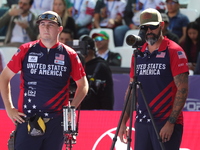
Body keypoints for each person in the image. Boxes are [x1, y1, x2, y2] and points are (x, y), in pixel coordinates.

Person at [0, 10, 88, 150]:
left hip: (56, 121)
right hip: (28, 118)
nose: (46, 28)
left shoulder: (69, 54)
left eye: (51, 25)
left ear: (60, 29)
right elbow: (4, 77)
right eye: (42, 24)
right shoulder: (25, 50)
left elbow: (83, 85)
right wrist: (9, 108)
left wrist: (71, 108)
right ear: (38, 27)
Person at [119, 8, 189, 150]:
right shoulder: (138, 53)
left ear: (161, 25)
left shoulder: (174, 51)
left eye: (153, 26)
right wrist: (122, 121)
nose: (149, 31)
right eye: (145, 27)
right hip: (142, 122)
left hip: (165, 122)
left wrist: (171, 123)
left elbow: (182, 89)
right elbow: (132, 89)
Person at [79, 35, 114, 110]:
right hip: (77, 109)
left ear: (90, 50)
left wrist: (107, 113)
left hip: (95, 111)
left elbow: (107, 95)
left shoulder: (101, 66)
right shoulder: (76, 66)